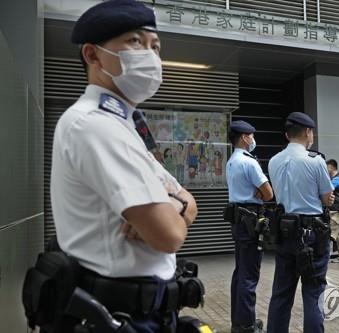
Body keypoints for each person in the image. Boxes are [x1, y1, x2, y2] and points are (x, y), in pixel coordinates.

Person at [51, 1, 198, 331]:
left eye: (155, 46)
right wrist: (174, 211)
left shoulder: (123, 126)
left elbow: (189, 201)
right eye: (134, 42)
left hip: (147, 312)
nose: (150, 55)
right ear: (93, 55)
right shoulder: (93, 125)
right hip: (116, 314)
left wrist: (175, 203)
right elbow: (169, 235)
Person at [267, 112, 334, 333]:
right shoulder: (316, 162)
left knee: (281, 294)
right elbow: (326, 198)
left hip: (284, 231)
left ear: (287, 135)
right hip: (311, 234)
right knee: (313, 293)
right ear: (307, 132)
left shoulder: (274, 161)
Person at [225, 120, 273, 333]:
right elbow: (269, 193)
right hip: (250, 220)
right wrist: (258, 192)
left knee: (240, 272)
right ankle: (247, 326)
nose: (253, 139)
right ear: (244, 137)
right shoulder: (249, 162)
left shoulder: (232, 161)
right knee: (249, 275)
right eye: (251, 135)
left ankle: (239, 321)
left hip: (238, 221)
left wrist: (256, 191)